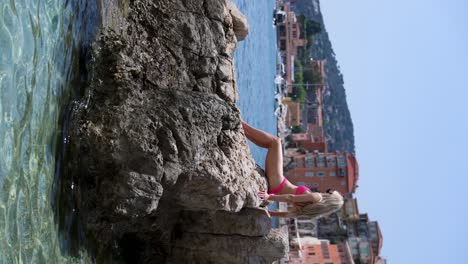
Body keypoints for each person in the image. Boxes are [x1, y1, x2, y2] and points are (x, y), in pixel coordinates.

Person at [241, 121, 344, 218]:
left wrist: (268, 197)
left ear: (331, 198)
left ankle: (242, 126)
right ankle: (243, 129)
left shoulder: (317, 197)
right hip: (276, 187)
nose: (328, 192)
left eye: (330, 192)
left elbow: (290, 198)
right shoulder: (312, 211)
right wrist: (271, 213)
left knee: (275, 142)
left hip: (277, 182)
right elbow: (290, 214)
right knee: (271, 145)